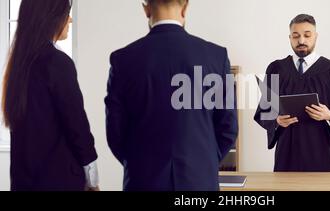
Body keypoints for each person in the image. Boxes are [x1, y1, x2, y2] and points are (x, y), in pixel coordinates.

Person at [105, 0, 238, 191]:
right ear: (185, 7)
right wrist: (203, 161)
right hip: (199, 182)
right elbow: (228, 127)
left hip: (143, 181)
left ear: (146, 9)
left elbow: (115, 132)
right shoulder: (216, 56)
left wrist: (139, 163)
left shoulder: (123, 59)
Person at [2, 0, 99, 191]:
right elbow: (77, 126)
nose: (69, 20)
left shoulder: (19, 65)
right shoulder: (58, 63)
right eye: (66, 14)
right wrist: (92, 178)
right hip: (59, 180)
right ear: (51, 18)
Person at [254, 14, 330, 172]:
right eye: (296, 36)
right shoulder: (276, 69)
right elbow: (264, 110)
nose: (301, 40)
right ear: (289, 38)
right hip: (287, 150)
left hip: (321, 149)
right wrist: (276, 121)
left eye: (307, 35)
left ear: (315, 37)